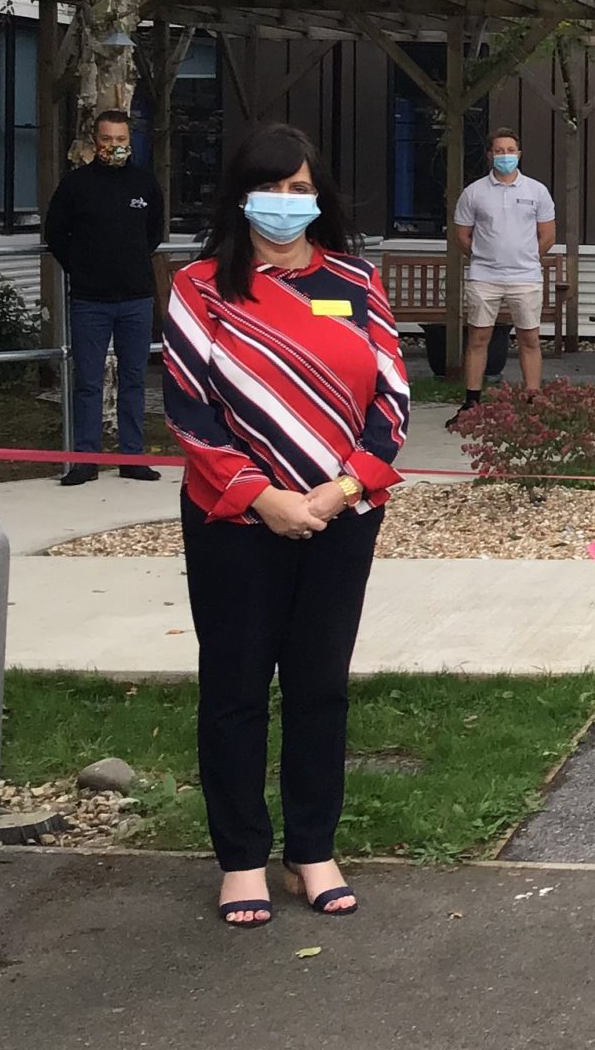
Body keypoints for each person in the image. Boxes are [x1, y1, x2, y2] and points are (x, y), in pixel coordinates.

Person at [163, 124, 408, 929]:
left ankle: (312, 849)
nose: (286, 202)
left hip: (343, 514)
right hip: (234, 518)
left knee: (319, 686)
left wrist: (342, 489)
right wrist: (262, 496)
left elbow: (392, 400)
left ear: (319, 197)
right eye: (272, 187)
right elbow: (189, 407)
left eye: (300, 188)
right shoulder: (201, 286)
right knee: (235, 687)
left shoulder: (355, 281)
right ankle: (241, 859)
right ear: (241, 196)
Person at [42, 109, 167, 485]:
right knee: (88, 381)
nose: (114, 146)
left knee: (134, 379)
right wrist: (81, 268)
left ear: (131, 141)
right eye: (107, 139)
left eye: (121, 140)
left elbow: (153, 233)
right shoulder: (75, 184)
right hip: (90, 301)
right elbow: (56, 233)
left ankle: (132, 457)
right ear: (95, 141)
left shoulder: (145, 184)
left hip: (136, 299)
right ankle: (86, 460)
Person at [445, 128, 556, 430]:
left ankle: (532, 400)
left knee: (529, 339)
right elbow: (462, 236)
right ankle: (472, 403)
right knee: (478, 338)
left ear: (519, 154)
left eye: (510, 150)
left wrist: (526, 257)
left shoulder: (537, 191)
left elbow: (547, 235)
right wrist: (485, 256)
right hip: (484, 277)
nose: (505, 155)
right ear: (490, 155)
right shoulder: (474, 193)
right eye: (499, 150)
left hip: (526, 277)